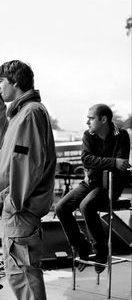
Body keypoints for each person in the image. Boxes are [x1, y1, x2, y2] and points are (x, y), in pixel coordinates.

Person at [0, 60, 56, 300]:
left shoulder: (29, 114)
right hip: (17, 206)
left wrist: (14, 202)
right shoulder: (21, 114)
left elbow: (26, 163)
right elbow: (6, 145)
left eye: (1, 81)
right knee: (17, 268)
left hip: (20, 208)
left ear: (14, 82)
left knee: (24, 270)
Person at [56, 104, 130, 273]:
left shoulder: (122, 135)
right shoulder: (88, 135)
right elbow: (86, 160)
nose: (87, 121)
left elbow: (121, 167)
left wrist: (101, 164)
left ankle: (101, 250)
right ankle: (82, 245)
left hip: (110, 185)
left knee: (86, 205)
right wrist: (112, 162)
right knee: (61, 207)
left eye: (90, 118)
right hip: (91, 181)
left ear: (103, 119)